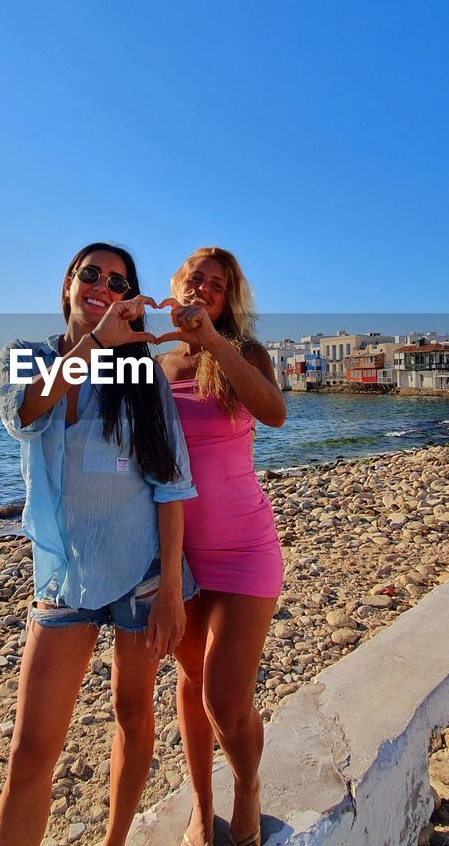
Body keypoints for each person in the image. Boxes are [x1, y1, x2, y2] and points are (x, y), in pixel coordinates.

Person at [0, 242, 198, 846]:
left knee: (132, 715)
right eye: (91, 274)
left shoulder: (141, 376)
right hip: (62, 575)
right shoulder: (25, 357)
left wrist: (170, 595)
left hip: (142, 573)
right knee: (31, 752)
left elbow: (172, 483)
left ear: (128, 298)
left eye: (116, 281)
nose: (101, 286)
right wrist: (96, 345)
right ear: (67, 284)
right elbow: (26, 414)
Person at [155, 247, 286, 846]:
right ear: (178, 286)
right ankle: (202, 808)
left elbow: (275, 412)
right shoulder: (155, 363)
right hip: (179, 554)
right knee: (190, 683)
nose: (203, 290)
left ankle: (248, 788)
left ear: (228, 298)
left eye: (217, 284)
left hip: (244, 548)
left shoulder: (246, 353)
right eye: (195, 280)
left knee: (224, 698)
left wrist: (214, 341)